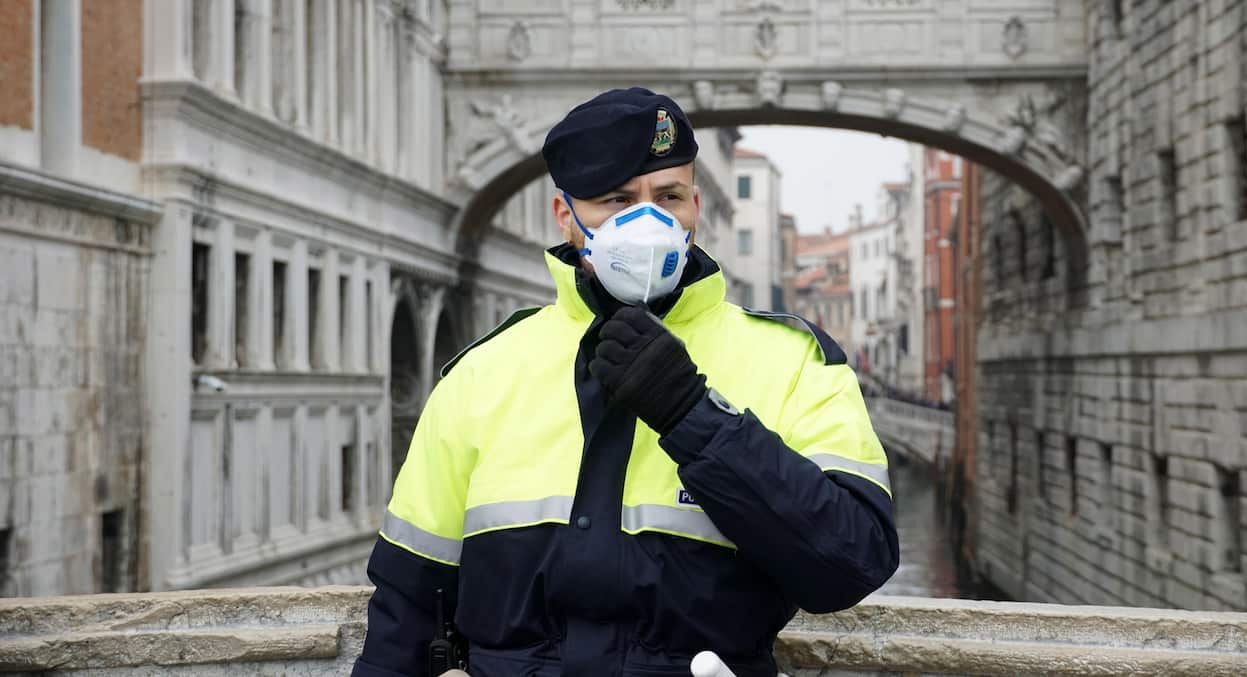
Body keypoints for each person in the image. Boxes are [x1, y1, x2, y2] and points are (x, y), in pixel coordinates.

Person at [352, 87, 899, 677]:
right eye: (616, 199)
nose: (649, 221)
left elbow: (851, 563)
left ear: (695, 207)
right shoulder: (484, 373)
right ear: (566, 217)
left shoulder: (793, 362)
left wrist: (694, 417)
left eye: (668, 196)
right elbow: (408, 606)